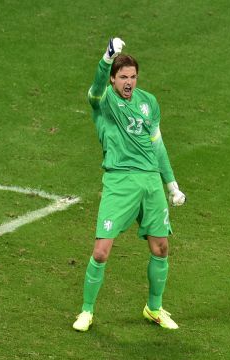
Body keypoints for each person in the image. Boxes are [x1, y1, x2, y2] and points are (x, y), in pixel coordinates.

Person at [72, 37, 187, 332]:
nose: (129, 82)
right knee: (101, 251)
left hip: (150, 181)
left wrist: (172, 184)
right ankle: (86, 311)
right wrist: (106, 57)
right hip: (119, 180)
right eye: (123, 77)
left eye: (133, 77)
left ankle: (154, 308)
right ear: (113, 78)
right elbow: (95, 90)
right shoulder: (104, 101)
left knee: (161, 247)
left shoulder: (149, 102)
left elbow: (157, 146)